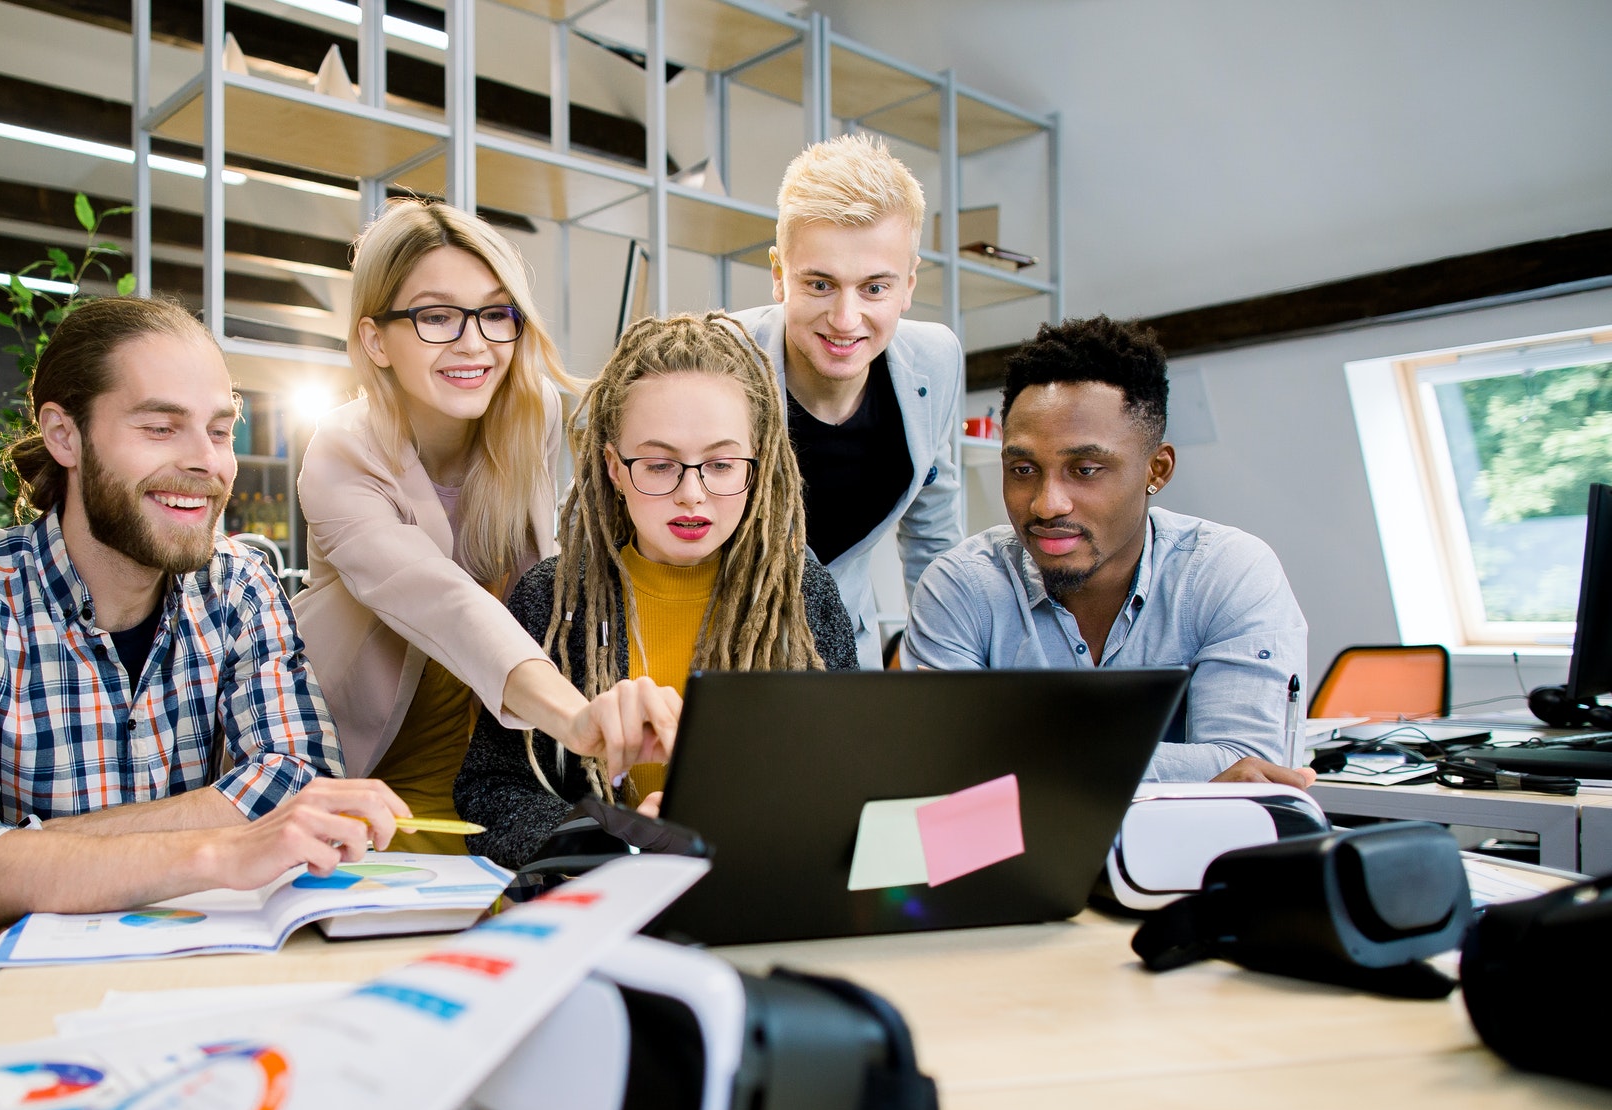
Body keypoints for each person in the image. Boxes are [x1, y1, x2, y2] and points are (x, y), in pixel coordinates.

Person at [0, 297, 407, 1003]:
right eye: (159, 427)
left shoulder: (239, 587)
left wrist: (20, 867)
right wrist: (221, 848)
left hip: (201, 990)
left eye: (218, 430)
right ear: (64, 435)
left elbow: (299, 781)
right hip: (10, 1013)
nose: (206, 463)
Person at [295, 200, 676, 853]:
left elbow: (542, 587)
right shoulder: (339, 451)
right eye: (437, 316)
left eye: (496, 313)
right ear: (375, 339)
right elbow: (445, 603)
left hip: (494, 754)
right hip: (365, 761)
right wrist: (575, 717)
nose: (474, 343)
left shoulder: (532, 416)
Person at [457, 312, 860, 867]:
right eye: (658, 464)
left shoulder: (802, 596)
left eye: (720, 464)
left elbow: (851, 783)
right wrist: (609, 839)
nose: (691, 494)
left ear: (758, 464)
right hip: (604, 910)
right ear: (614, 469)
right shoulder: (552, 599)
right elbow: (489, 793)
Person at [901, 315, 1313, 788]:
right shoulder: (961, 586)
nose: (1047, 503)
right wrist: (1183, 769)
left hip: (1193, 859)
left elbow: (1251, 772)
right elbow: (937, 775)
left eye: (1087, 469)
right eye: (1022, 469)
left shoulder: (1228, 572)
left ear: (1156, 470)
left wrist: (1014, 759)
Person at [731, 133, 964, 668]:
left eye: (874, 289)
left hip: (845, 649)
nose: (845, 319)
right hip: (712, 650)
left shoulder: (936, 360)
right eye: (819, 284)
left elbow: (933, 533)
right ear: (778, 274)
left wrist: (940, 672)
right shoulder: (717, 358)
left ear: (908, 284)